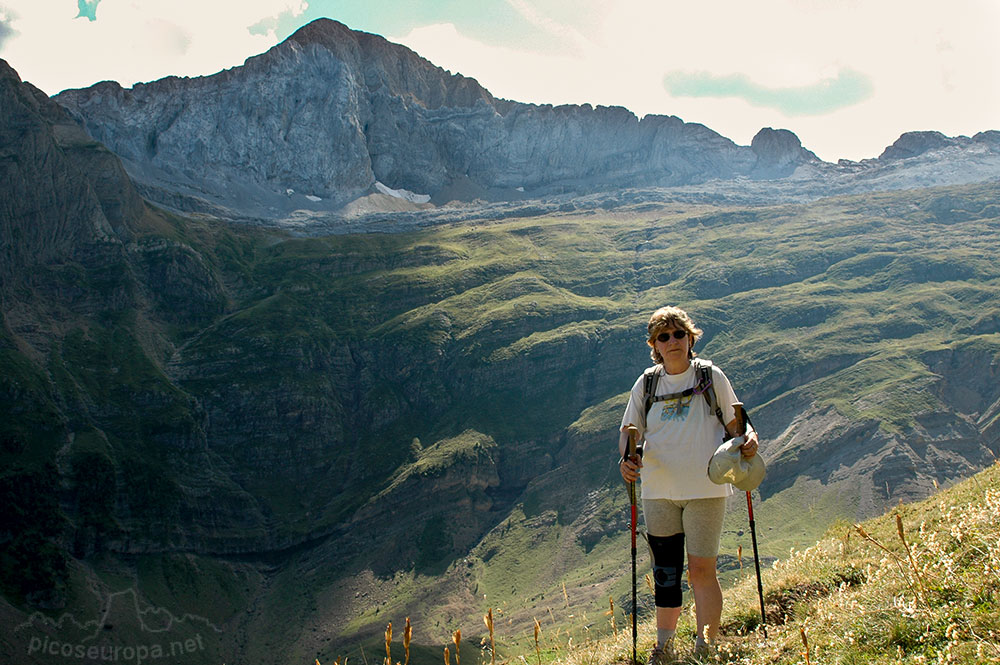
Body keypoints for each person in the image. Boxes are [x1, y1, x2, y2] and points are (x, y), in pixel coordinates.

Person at [618, 306, 759, 663]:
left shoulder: (711, 376)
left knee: (700, 570)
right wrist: (627, 461)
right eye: (664, 337)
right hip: (658, 491)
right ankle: (664, 648)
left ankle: (705, 646)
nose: (672, 341)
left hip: (706, 489)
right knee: (665, 573)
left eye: (678, 334)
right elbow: (629, 432)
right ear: (655, 345)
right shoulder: (647, 384)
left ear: (690, 338)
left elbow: (737, 423)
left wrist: (750, 441)